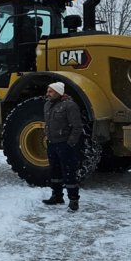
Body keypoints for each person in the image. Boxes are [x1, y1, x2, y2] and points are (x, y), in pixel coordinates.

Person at [42, 81, 83, 211]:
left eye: (51, 91)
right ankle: (57, 196)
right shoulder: (47, 105)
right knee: (55, 171)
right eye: (48, 91)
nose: (47, 94)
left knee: (69, 172)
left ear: (59, 92)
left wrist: (70, 143)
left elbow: (77, 126)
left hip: (65, 145)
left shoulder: (69, 106)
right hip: (52, 144)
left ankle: (73, 200)